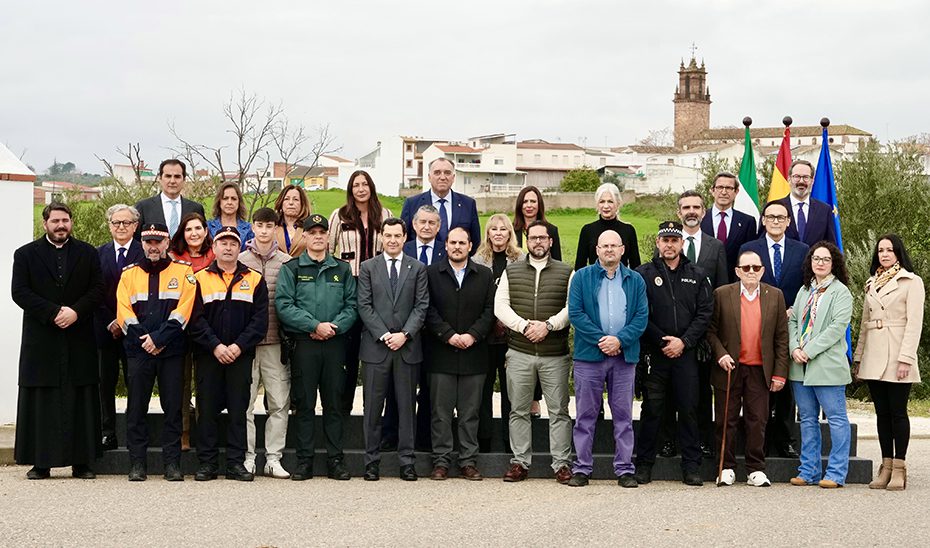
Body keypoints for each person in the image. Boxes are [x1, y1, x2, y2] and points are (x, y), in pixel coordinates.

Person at [12, 203, 104, 479]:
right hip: (42, 338)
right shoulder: (26, 254)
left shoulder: (88, 253)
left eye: (65, 220)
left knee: (81, 397)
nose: (61, 225)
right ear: (45, 224)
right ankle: (41, 463)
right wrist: (53, 313)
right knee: (42, 401)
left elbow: (98, 289)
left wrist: (75, 312)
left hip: (79, 335)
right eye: (55, 221)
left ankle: (83, 463)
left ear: (71, 223)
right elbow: (20, 292)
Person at [276, 214, 358, 481]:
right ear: (305, 236)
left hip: (335, 344)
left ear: (327, 237)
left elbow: (352, 305)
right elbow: (284, 306)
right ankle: (304, 461)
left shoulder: (342, 270)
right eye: (313, 232)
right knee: (305, 404)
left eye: (322, 232)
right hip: (304, 345)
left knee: (334, 404)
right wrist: (314, 326)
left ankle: (336, 460)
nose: (318, 236)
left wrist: (332, 327)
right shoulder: (292, 269)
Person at [633, 221, 714, 486]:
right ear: (657, 243)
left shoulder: (697, 274)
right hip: (655, 354)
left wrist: (684, 341)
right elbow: (638, 313)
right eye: (665, 240)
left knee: (689, 410)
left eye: (674, 240)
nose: (669, 244)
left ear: (681, 243)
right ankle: (644, 465)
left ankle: (691, 466)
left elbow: (705, 313)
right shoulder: (642, 274)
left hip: (687, 354)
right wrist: (662, 341)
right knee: (652, 409)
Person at [565, 230, 648, 488]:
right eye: (604, 246)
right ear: (597, 250)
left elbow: (641, 317)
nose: (609, 250)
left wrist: (619, 340)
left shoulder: (636, 280)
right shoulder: (581, 277)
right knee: (585, 415)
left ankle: (624, 469)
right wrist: (603, 340)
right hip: (589, 357)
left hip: (624, 357)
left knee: (623, 416)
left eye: (614, 245)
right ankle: (582, 468)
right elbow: (576, 314)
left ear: (623, 250)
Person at [495, 221, 575, 484]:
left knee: (559, 411)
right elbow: (501, 306)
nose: (538, 242)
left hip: (555, 354)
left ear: (551, 241)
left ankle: (561, 464)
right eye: (533, 238)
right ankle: (520, 462)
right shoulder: (512, 271)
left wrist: (549, 326)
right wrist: (525, 326)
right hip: (519, 351)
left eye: (543, 238)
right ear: (526, 241)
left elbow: (570, 307)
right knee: (518, 410)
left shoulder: (566, 272)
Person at [116, 223, 197, 481]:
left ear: (167, 244)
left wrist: (159, 338)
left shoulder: (184, 272)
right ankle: (137, 463)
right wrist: (145, 340)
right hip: (139, 351)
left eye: (158, 242)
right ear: (142, 243)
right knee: (136, 407)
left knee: (172, 408)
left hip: (171, 350)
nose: (153, 246)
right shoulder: (128, 274)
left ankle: (172, 464)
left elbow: (184, 310)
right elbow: (123, 312)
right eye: (148, 242)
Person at [189, 226, 269, 481]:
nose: (228, 247)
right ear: (213, 247)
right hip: (208, 356)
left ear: (240, 247)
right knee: (207, 410)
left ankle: (235, 463)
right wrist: (216, 346)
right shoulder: (199, 278)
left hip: (240, 356)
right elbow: (195, 319)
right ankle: (207, 464)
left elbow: (259, 322)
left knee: (238, 411)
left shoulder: (255, 279)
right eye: (223, 243)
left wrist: (237, 346)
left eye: (233, 243)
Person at [706, 250, 789, 487]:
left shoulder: (775, 296)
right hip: (729, 367)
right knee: (726, 419)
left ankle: (756, 469)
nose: (751, 272)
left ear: (763, 270)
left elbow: (781, 338)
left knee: (758, 420)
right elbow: (710, 331)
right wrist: (720, 354)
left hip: (760, 369)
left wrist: (780, 372)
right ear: (737, 271)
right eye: (746, 268)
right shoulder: (722, 294)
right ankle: (726, 468)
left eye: (755, 267)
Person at [356, 218, 429, 481]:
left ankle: (407, 462)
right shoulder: (368, 267)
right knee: (373, 408)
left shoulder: (418, 268)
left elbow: (422, 306)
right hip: (377, 348)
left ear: (404, 237)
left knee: (407, 408)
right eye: (388, 236)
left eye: (398, 236)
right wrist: (386, 335)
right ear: (381, 238)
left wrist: (405, 335)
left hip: (407, 349)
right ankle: (371, 461)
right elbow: (364, 306)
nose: (393, 240)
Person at [657, 190, 728, 460]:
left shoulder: (716, 246)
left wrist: (709, 333)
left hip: (702, 333)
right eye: (686, 207)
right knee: (668, 393)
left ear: (704, 211)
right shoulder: (667, 242)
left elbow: (720, 291)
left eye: (696, 207)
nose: (691, 211)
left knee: (699, 391)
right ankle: (668, 441)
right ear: (679, 212)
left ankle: (703, 440)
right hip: (668, 335)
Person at [854, 234, 924, 491]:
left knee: (898, 412)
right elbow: (864, 325)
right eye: (881, 250)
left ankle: (899, 467)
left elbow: (914, 323)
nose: (884, 254)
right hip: (874, 354)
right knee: (881, 414)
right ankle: (884, 465)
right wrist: (859, 357)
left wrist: (906, 358)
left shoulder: (911, 281)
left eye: (889, 250)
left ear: (898, 253)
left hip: (897, 354)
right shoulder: (872, 283)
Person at [424, 227, 495, 480]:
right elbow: (428, 309)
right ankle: (441, 461)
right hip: (440, 353)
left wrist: (472, 335)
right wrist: (449, 335)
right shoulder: (432, 273)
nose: (456, 246)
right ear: (445, 245)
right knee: (440, 413)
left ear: (470, 245)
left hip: (474, 355)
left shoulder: (484, 275)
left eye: (461, 243)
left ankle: (468, 461)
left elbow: (490, 311)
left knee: (469, 414)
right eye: (452, 242)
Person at [740, 200, 809, 459]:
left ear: (789, 221)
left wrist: (794, 309)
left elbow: (807, 285)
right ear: (763, 220)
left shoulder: (802, 250)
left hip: (790, 324)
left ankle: (785, 437)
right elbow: (743, 281)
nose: (776, 221)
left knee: (784, 383)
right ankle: (758, 437)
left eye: (781, 217)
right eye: (771, 217)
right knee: (757, 383)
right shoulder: (749, 249)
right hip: (754, 323)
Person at [787, 241, 852, 489]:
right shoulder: (805, 291)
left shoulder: (841, 292)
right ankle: (809, 471)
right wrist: (794, 348)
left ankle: (835, 473)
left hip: (826, 367)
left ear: (833, 262)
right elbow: (793, 321)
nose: (821, 262)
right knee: (807, 420)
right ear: (810, 262)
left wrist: (808, 350)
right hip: (800, 366)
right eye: (816, 258)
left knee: (836, 419)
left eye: (825, 259)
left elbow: (837, 328)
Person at [328, 170, 393, 414]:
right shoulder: (340, 215)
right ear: (350, 189)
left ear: (371, 187)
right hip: (349, 282)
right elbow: (327, 246)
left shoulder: (385, 214)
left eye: (365, 184)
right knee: (348, 349)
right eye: (356, 185)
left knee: (375, 347)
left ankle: (373, 411)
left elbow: (392, 245)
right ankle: (342, 409)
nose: (361, 189)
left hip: (378, 284)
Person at [239, 207, 294, 479]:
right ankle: (249, 456)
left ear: (275, 228)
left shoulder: (287, 262)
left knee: (279, 402)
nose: (263, 230)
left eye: (269, 225)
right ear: (252, 226)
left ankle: (274, 457)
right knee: (245, 404)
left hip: (275, 342)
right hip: (246, 345)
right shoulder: (239, 260)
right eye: (259, 225)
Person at [473, 214, 524, 453]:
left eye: (503, 229)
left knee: (510, 393)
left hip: (511, 338)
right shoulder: (477, 260)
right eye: (493, 229)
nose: (498, 233)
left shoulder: (521, 259)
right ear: (488, 233)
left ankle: (508, 442)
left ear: (509, 233)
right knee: (482, 392)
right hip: (484, 337)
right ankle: (483, 441)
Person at [95, 204, 143, 451]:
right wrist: (110, 321)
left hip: (134, 329)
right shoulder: (97, 254)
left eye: (126, 223)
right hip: (105, 329)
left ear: (135, 226)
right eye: (116, 223)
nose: (121, 227)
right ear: (109, 225)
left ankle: (134, 432)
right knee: (105, 381)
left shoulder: (144, 253)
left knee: (135, 380)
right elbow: (94, 293)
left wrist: (124, 320)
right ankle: (107, 431)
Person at [168, 212, 215, 450]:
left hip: (208, 327)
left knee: (205, 382)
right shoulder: (174, 258)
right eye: (188, 230)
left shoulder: (214, 255)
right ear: (182, 234)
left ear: (206, 231)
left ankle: (205, 431)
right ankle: (184, 432)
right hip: (182, 327)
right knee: (182, 382)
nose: (193, 234)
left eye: (198, 228)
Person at [399, 157, 481, 253]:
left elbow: (475, 241)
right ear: (429, 177)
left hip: (456, 265)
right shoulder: (412, 204)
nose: (442, 177)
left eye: (447, 173)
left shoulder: (468, 204)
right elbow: (403, 238)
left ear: (453, 177)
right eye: (437, 173)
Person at [700, 171, 758, 282]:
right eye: (720, 187)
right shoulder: (700, 219)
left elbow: (749, 255)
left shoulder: (748, 222)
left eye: (729, 188)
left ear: (736, 192)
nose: (724, 192)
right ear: (712, 190)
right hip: (704, 281)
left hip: (735, 283)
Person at [574, 183, 640, 270]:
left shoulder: (628, 230)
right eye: (602, 201)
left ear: (618, 204)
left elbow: (636, 267)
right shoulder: (587, 230)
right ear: (597, 204)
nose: (606, 206)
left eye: (610, 201)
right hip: (595, 282)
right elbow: (579, 267)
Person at [134, 158, 205, 239]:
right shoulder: (144, 207)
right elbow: (136, 239)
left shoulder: (195, 208)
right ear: (160, 179)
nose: (172, 181)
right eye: (168, 176)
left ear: (184, 180)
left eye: (177, 177)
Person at [772, 160, 837, 247]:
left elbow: (831, 246)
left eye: (806, 177)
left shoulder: (824, 210)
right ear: (789, 179)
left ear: (812, 181)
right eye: (797, 177)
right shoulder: (774, 208)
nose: (801, 181)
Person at [513, 185, 562, 260]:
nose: (529, 205)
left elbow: (557, 261)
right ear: (519, 204)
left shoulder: (551, 230)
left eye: (533, 201)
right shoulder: (511, 230)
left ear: (539, 204)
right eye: (525, 202)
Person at [207, 182, 254, 251]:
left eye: (233, 199)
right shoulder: (208, 227)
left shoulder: (249, 229)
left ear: (239, 201)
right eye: (225, 198)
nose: (229, 202)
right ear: (219, 201)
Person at [274, 183, 312, 257]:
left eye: (295, 199)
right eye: (286, 199)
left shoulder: (310, 227)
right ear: (281, 203)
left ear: (302, 204)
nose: (291, 203)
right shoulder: (273, 227)